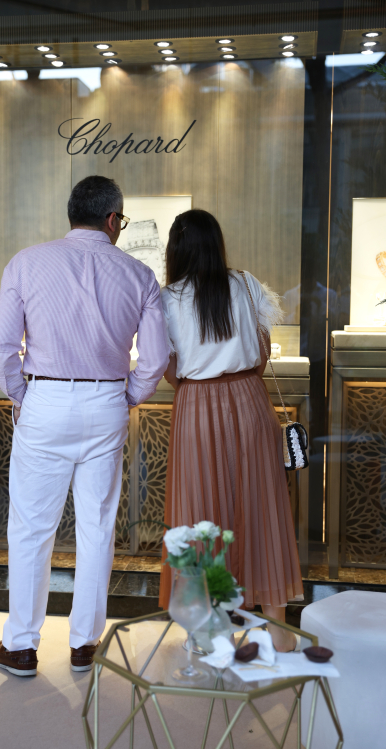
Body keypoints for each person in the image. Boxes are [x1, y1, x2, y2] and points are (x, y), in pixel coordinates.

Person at [0, 175, 170, 676]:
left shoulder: (27, 262)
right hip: (106, 400)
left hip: (44, 398)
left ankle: (21, 646)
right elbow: (155, 358)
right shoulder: (139, 274)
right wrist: (128, 395)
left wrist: (21, 394)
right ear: (112, 219)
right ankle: (85, 644)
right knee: (97, 525)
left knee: (31, 527)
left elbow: (1, 343)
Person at [158, 209, 303, 652]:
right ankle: (278, 629)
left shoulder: (168, 299)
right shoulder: (244, 283)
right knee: (262, 508)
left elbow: (167, 367)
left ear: (175, 250)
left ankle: (208, 630)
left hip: (196, 407)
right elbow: (263, 350)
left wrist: (197, 382)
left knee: (200, 513)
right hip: (250, 400)